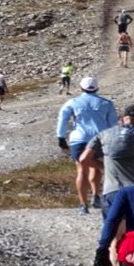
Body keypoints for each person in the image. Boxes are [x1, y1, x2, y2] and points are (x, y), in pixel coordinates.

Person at [78, 104, 134, 217]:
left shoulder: (103, 135)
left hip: (112, 192)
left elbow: (83, 158)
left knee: (114, 230)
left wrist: (102, 166)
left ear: (122, 120)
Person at [56, 77, 117, 214]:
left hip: (79, 139)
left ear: (81, 88)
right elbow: (113, 124)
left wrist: (61, 137)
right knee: (95, 166)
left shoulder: (72, 102)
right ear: (97, 88)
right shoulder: (106, 103)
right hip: (101, 138)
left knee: (81, 169)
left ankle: (83, 204)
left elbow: (63, 119)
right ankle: (96, 196)